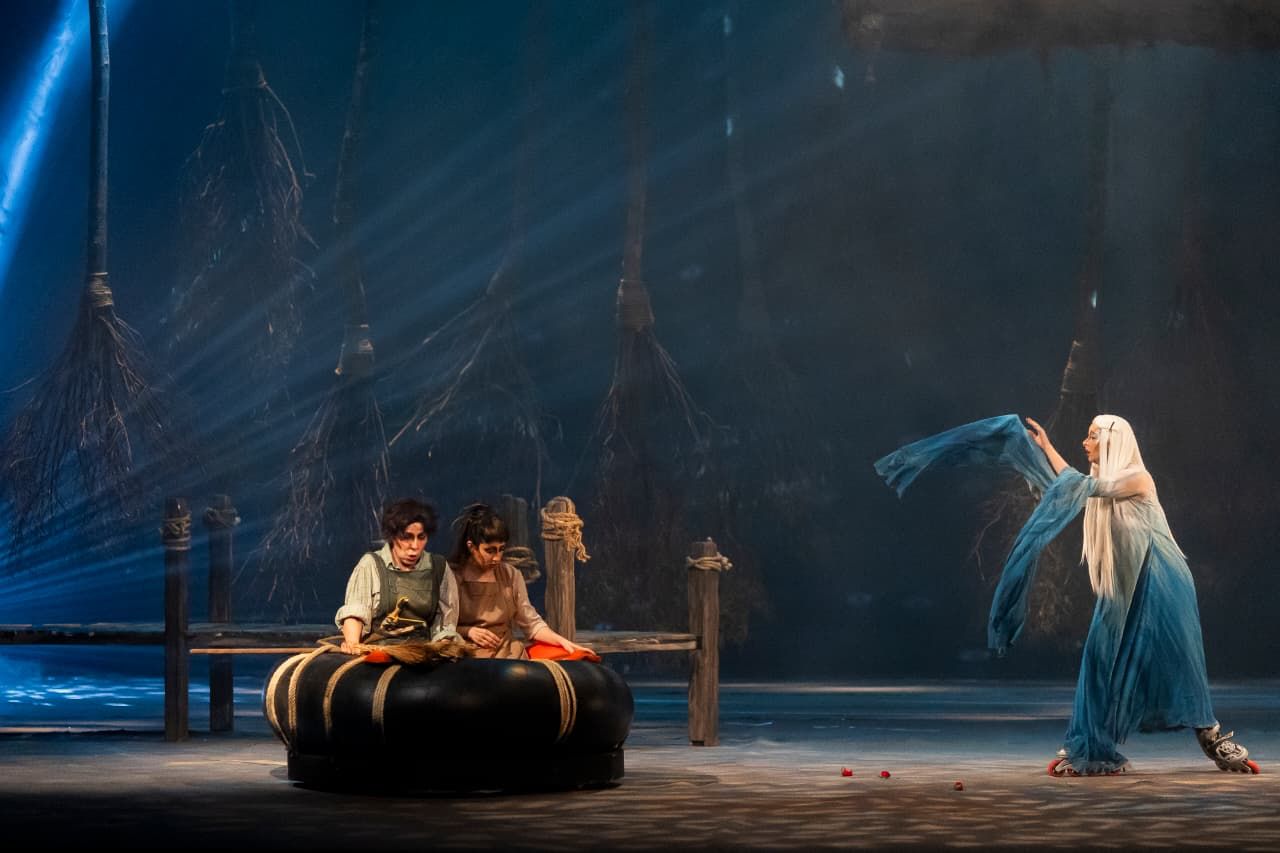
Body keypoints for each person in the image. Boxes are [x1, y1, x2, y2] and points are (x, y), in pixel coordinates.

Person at [875, 413, 1258, 776]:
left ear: (1113, 443)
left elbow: (1083, 488)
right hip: (1124, 585)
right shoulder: (1103, 482)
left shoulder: (1138, 479)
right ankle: (1091, 745)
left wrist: (1048, 455)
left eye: (1093, 436)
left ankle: (1210, 736)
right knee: (1100, 657)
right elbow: (1077, 485)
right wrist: (1045, 448)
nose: (1085, 441)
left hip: (1163, 579)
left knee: (1179, 659)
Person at [450, 503, 591, 660]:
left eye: (501, 549)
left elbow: (531, 624)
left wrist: (564, 643)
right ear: (471, 547)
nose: (497, 557)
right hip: (467, 656)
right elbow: (440, 628)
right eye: (490, 551)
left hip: (508, 654)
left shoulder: (510, 575)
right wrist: (468, 631)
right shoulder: (452, 577)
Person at [334, 498, 459, 654]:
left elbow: (446, 624)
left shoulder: (438, 568)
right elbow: (355, 613)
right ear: (392, 536)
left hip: (421, 652)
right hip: (378, 651)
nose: (415, 546)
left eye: (421, 537)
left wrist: (442, 646)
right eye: (406, 537)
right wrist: (353, 644)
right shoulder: (371, 564)